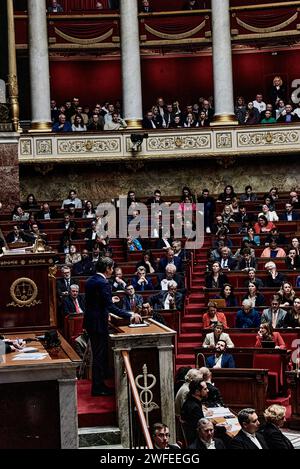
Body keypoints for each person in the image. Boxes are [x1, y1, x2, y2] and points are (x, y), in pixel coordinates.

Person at [84, 257, 142, 396]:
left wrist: (109, 300)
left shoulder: (90, 280)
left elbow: (97, 302)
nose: (112, 271)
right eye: (111, 268)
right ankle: (98, 388)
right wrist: (130, 315)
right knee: (99, 356)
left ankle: (99, 385)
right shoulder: (103, 283)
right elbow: (110, 308)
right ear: (107, 268)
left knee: (97, 355)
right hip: (98, 324)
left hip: (91, 322)